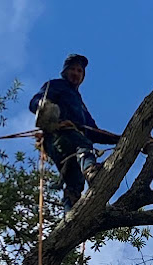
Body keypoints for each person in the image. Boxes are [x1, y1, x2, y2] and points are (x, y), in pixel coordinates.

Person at [29, 54, 120, 212]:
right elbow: (35, 102)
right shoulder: (56, 85)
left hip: (70, 144)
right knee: (83, 143)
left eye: (80, 71)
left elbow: (94, 132)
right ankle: (91, 170)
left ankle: (70, 214)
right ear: (65, 72)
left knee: (74, 182)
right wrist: (45, 108)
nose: (76, 73)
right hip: (59, 136)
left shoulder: (80, 105)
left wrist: (120, 139)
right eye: (73, 69)